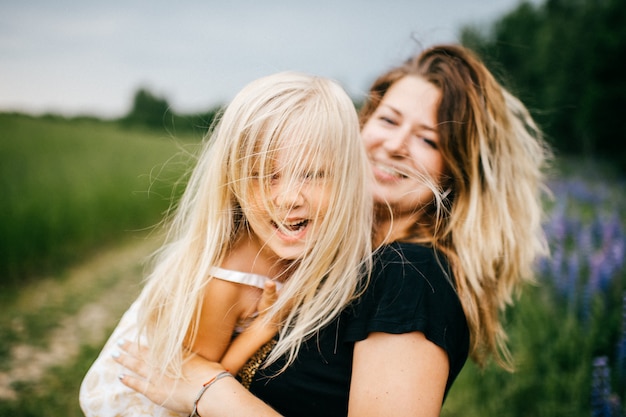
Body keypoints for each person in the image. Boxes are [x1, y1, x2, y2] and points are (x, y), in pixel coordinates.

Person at [113, 43, 551, 417]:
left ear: (456, 171)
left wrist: (208, 388)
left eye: (428, 140)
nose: (396, 145)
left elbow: (207, 383)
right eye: (389, 120)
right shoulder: (333, 259)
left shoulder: (410, 276)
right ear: (356, 129)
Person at [79, 71, 374, 417]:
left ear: (347, 178)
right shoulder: (225, 280)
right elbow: (199, 379)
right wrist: (262, 329)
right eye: (267, 175)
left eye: (312, 174)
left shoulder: (318, 250)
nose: (289, 198)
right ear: (233, 180)